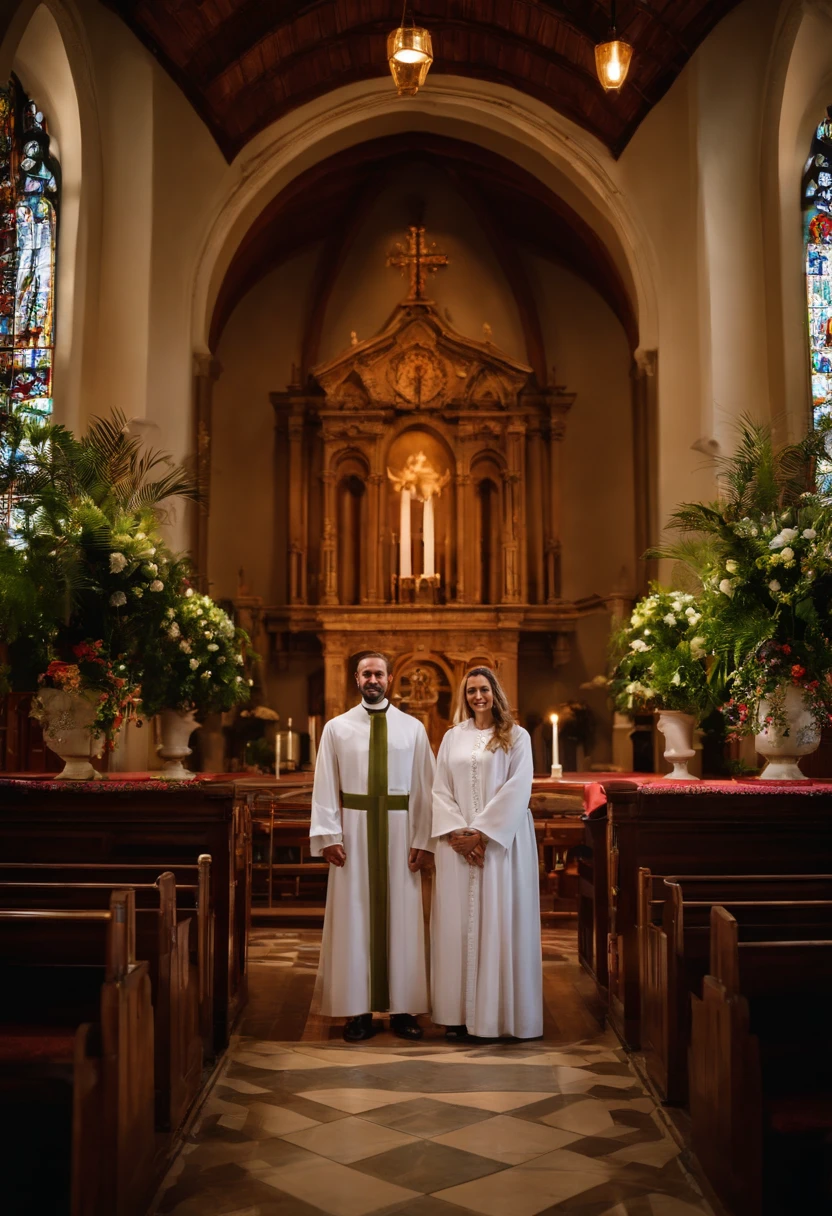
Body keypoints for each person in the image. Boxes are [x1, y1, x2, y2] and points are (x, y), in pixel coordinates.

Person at [310, 652, 435, 1042]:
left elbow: (426, 788)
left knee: (404, 919)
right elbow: (326, 784)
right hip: (355, 834)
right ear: (356, 679)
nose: (373, 679)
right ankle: (356, 1012)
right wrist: (329, 835)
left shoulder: (412, 728)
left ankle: (403, 1010)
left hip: (400, 837)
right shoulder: (337, 728)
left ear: (390, 678)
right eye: (366, 674)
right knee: (353, 919)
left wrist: (424, 841)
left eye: (379, 673)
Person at [431, 666, 543, 1040]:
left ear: (495, 692)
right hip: (457, 846)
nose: (478, 697)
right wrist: (459, 835)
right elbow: (440, 789)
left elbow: (518, 788)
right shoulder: (452, 737)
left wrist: (481, 834)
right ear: (463, 697)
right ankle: (457, 1015)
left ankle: (498, 1017)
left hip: (501, 846)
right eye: (471, 691)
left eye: (484, 689)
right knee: (457, 925)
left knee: (499, 922)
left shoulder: (516, 736)